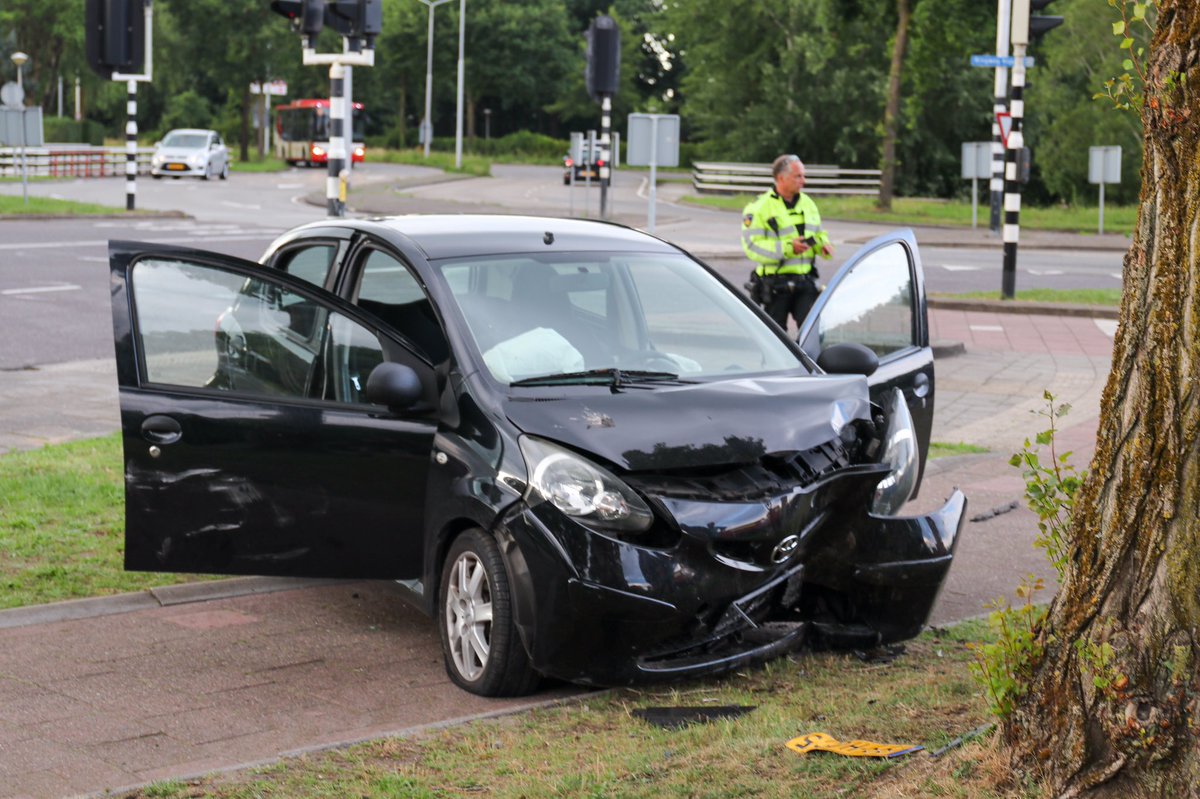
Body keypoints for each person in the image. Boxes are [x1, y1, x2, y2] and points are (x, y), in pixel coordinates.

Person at [741, 155, 834, 330]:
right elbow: (752, 247)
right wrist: (788, 248)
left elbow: (818, 233)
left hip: (805, 282)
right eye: (798, 176)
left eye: (803, 176)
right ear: (781, 178)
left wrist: (823, 245)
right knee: (775, 339)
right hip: (775, 285)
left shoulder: (808, 203)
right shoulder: (759, 207)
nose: (803, 181)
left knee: (812, 333)